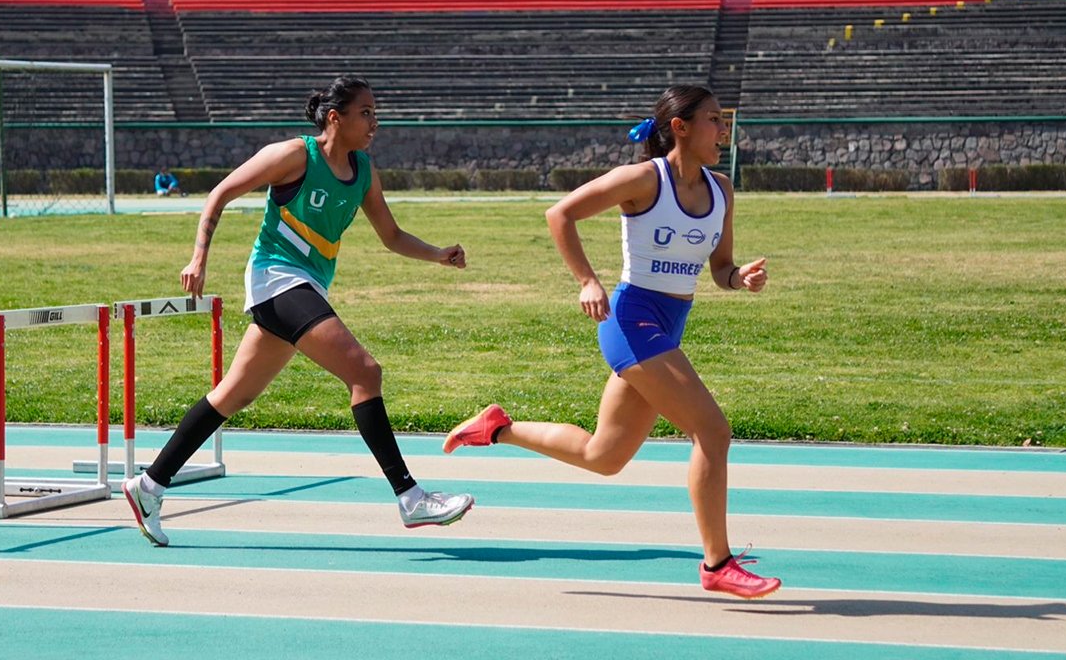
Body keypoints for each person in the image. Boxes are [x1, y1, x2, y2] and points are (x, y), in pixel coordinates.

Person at [444, 85, 780, 600]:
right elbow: (560, 215)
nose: (724, 130)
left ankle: (497, 428)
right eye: (714, 120)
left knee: (604, 456)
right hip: (630, 320)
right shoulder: (643, 180)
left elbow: (719, 268)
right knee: (712, 431)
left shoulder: (722, 189)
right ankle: (718, 563)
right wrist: (586, 280)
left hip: (668, 325)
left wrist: (740, 279)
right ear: (681, 127)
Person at [123, 76, 475, 546]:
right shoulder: (294, 155)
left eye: (375, 112)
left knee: (232, 395)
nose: (375, 122)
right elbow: (220, 194)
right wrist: (198, 258)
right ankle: (410, 497)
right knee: (365, 372)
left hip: (307, 286)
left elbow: (391, 236)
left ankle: (148, 486)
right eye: (366, 112)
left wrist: (438, 254)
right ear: (336, 118)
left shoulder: (365, 171)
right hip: (274, 278)